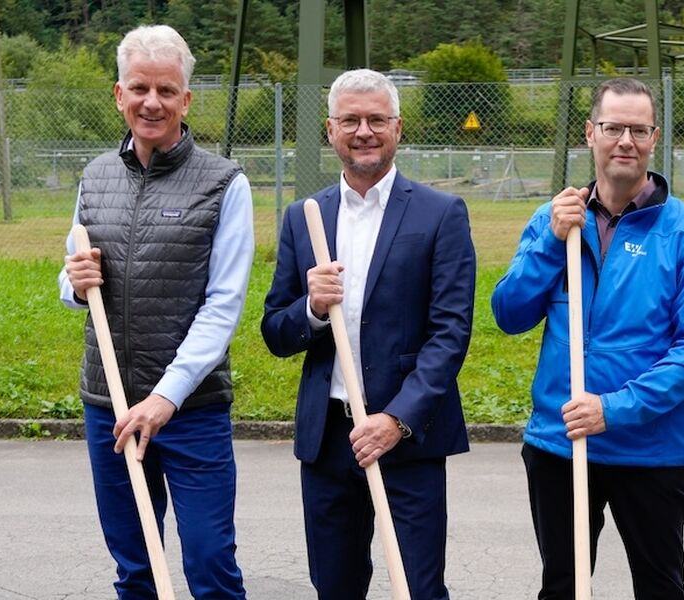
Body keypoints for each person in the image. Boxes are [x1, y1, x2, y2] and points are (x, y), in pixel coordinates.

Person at [491, 77, 684, 599]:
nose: (625, 140)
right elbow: (508, 314)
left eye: (638, 130)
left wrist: (614, 409)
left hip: (651, 451)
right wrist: (551, 243)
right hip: (560, 441)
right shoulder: (554, 220)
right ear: (590, 133)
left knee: (661, 587)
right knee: (563, 587)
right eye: (613, 127)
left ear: (654, 137)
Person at [260, 68, 475, 599]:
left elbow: (450, 334)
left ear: (397, 128)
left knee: (419, 588)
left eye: (376, 119)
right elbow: (275, 331)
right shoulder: (303, 216)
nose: (364, 132)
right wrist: (310, 307)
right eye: (350, 120)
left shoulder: (440, 213)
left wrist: (397, 419)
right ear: (330, 130)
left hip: (408, 436)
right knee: (335, 587)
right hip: (329, 437)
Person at [59, 25, 251, 599]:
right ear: (119, 94)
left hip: (191, 410)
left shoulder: (224, 183)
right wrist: (72, 281)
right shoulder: (94, 177)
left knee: (210, 565)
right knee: (136, 568)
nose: (152, 102)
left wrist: (165, 398)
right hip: (110, 404)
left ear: (186, 100)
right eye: (139, 87)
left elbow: (224, 304)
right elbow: (76, 280)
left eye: (166, 91)